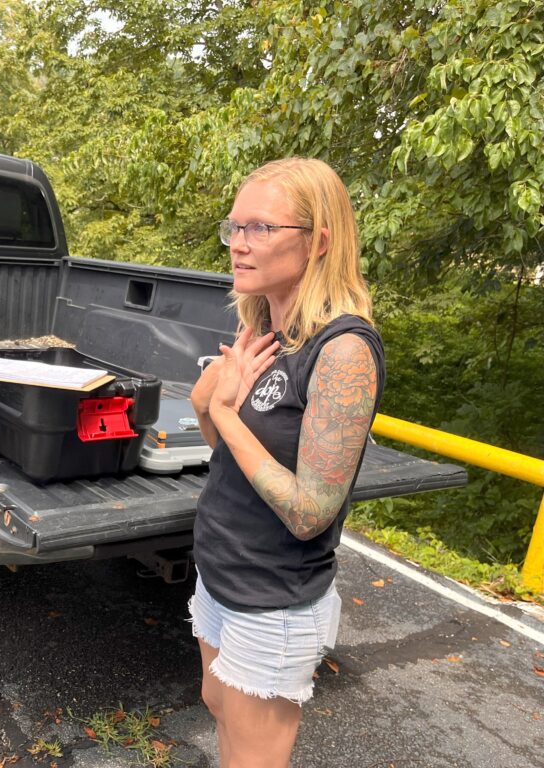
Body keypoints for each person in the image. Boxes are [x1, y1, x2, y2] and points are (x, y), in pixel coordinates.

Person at [189, 157, 385, 767]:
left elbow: (309, 511)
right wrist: (207, 406)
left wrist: (223, 413)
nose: (238, 245)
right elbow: (235, 463)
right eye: (234, 227)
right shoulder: (267, 333)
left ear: (319, 240)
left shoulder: (343, 351)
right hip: (222, 573)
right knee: (218, 704)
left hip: (272, 596)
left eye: (261, 229)